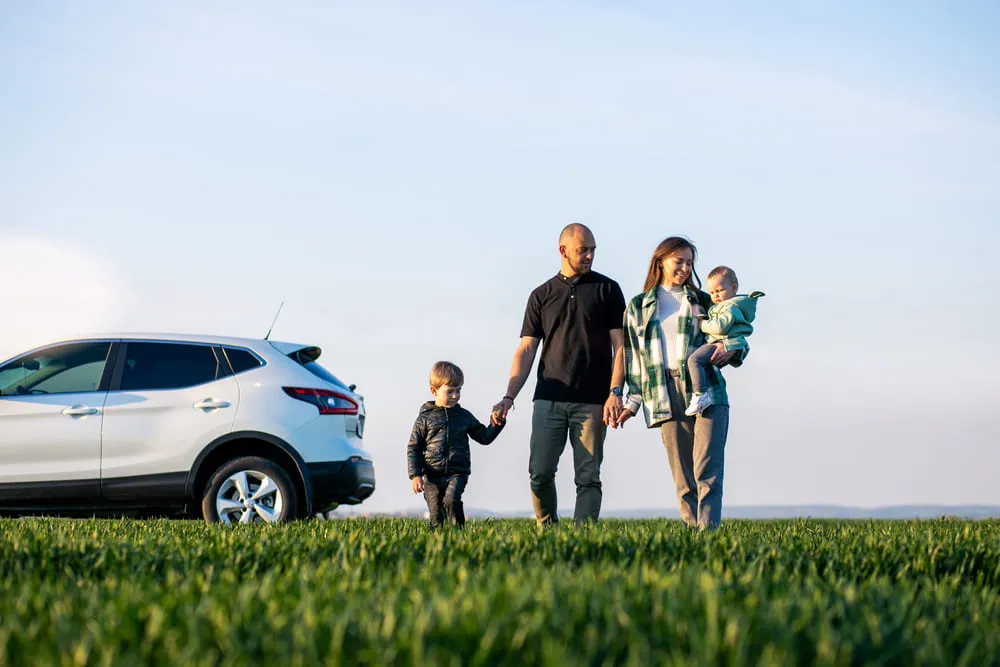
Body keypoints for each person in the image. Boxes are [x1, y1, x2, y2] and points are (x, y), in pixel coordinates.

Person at [492, 223, 626, 526]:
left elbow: (621, 347)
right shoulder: (541, 295)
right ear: (563, 250)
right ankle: (548, 531)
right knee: (539, 473)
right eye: (583, 250)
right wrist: (508, 396)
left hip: (593, 401)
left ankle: (583, 540)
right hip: (549, 399)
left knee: (588, 477)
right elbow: (526, 350)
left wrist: (615, 392)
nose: (590, 255)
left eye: (593, 250)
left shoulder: (608, 289)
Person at [612, 237, 740, 530]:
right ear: (661, 261)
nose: (684, 268)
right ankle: (692, 531)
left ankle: (708, 533)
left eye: (690, 263)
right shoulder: (637, 306)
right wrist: (631, 403)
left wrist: (733, 350)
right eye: (678, 261)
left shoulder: (703, 300)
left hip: (706, 388)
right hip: (662, 391)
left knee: (707, 468)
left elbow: (736, 332)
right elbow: (634, 359)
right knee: (683, 474)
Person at [407, 361, 505, 529]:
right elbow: (414, 447)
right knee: (436, 512)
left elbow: (483, 437)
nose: (455, 395)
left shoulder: (464, 416)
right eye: (450, 391)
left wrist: (497, 424)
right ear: (434, 390)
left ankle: (459, 533)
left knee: (452, 499)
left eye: (458, 390)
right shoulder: (424, 418)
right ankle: (437, 541)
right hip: (431, 474)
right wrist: (415, 475)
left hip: (457, 472)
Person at [685, 265, 765, 416]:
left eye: (720, 290)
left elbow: (719, 327)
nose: (715, 296)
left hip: (720, 343)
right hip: (720, 343)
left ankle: (700, 394)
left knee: (694, 360)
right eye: (712, 292)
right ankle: (700, 394)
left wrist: (703, 324)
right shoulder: (724, 306)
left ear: (733, 288)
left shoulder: (730, 308)